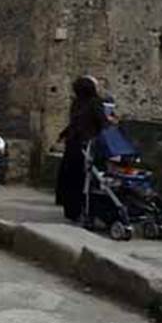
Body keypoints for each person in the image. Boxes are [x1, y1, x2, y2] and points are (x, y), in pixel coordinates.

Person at [55, 75, 107, 222]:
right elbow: (102, 123)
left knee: (71, 178)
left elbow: (75, 123)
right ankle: (87, 209)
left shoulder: (76, 103)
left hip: (73, 144)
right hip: (86, 146)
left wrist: (63, 134)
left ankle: (72, 210)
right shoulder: (95, 103)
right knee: (84, 178)